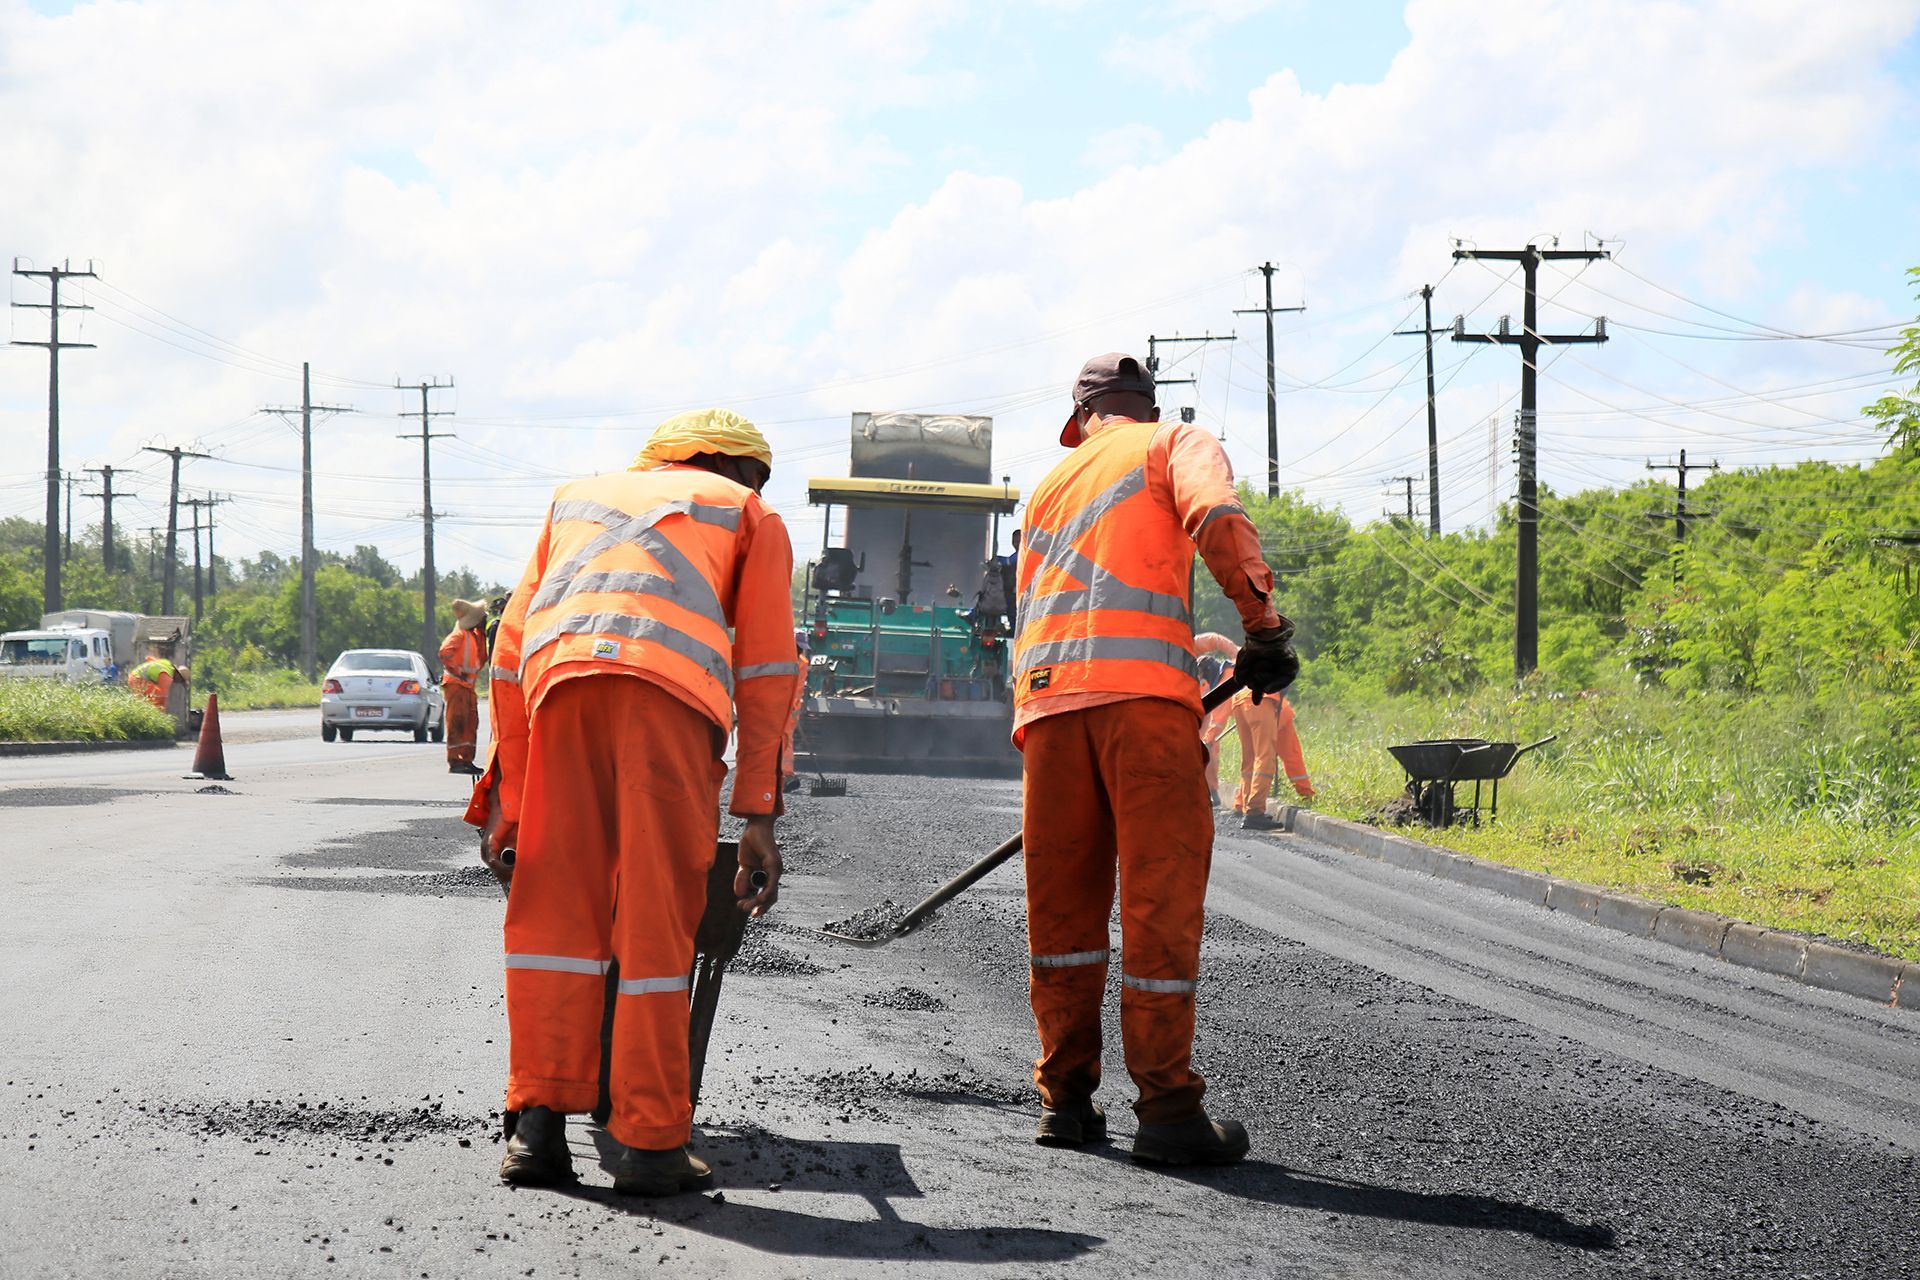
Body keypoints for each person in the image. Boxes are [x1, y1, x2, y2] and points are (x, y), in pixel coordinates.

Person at [465, 408, 798, 1197]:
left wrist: (508, 799)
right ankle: (649, 1142)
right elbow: (768, 668)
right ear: (740, 468)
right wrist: (758, 813)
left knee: (553, 917)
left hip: (558, 695)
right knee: (656, 917)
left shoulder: (576, 499)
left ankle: (537, 1130)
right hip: (667, 704)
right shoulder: (747, 511)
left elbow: (508, 656)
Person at [1013, 352, 1298, 1167]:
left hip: (1050, 711)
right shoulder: (1174, 444)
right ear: (1146, 405)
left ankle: (1064, 1101)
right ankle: (1168, 1109)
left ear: (1082, 418)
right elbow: (1217, 520)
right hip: (1141, 711)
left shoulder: (1049, 486)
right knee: (1157, 901)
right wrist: (1265, 629)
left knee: (1063, 913)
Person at [1232, 691, 1315, 829]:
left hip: (1240, 699)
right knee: (1265, 758)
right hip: (1263, 699)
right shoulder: (1285, 715)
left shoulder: (1281, 709)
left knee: (1250, 759)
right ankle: (1255, 812)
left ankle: (1246, 806)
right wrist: (1306, 794)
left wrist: (1239, 803)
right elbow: (1292, 759)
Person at [439, 600, 488, 776]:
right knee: (456, 722)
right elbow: (445, 653)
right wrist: (458, 672)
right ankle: (455, 759)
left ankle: (466, 760)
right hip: (456, 685)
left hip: (467, 686)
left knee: (470, 723)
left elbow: (481, 659)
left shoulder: (474, 636)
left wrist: (482, 635)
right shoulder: (458, 635)